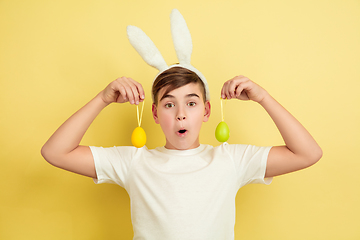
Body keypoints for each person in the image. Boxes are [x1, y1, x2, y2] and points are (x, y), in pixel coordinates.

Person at [41, 66, 322, 239]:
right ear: (154, 113)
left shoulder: (231, 160)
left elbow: (307, 153)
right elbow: (55, 152)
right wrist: (102, 99)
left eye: (191, 103)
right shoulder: (133, 162)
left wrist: (263, 97)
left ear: (207, 111)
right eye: (169, 104)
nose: (181, 115)